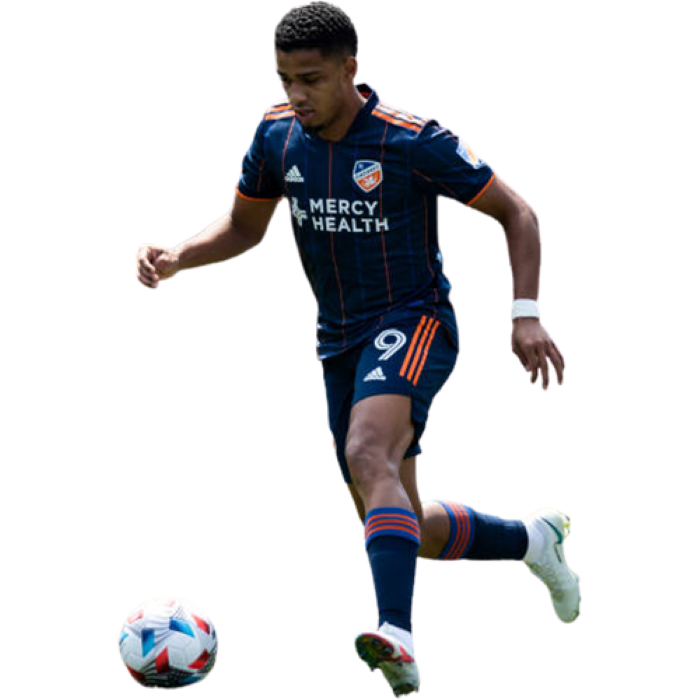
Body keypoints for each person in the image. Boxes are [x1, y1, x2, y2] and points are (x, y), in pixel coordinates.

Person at [134, 2, 579, 697]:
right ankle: (531, 540)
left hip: (415, 319)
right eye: (284, 79)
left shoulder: (411, 138)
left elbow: (517, 212)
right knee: (402, 525)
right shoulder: (277, 131)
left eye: (310, 79)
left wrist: (526, 316)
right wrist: (178, 257)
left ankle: (397, 634)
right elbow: (245, 228)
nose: (296, 95)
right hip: (337, 340)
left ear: (351, 70)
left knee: (369, 452)